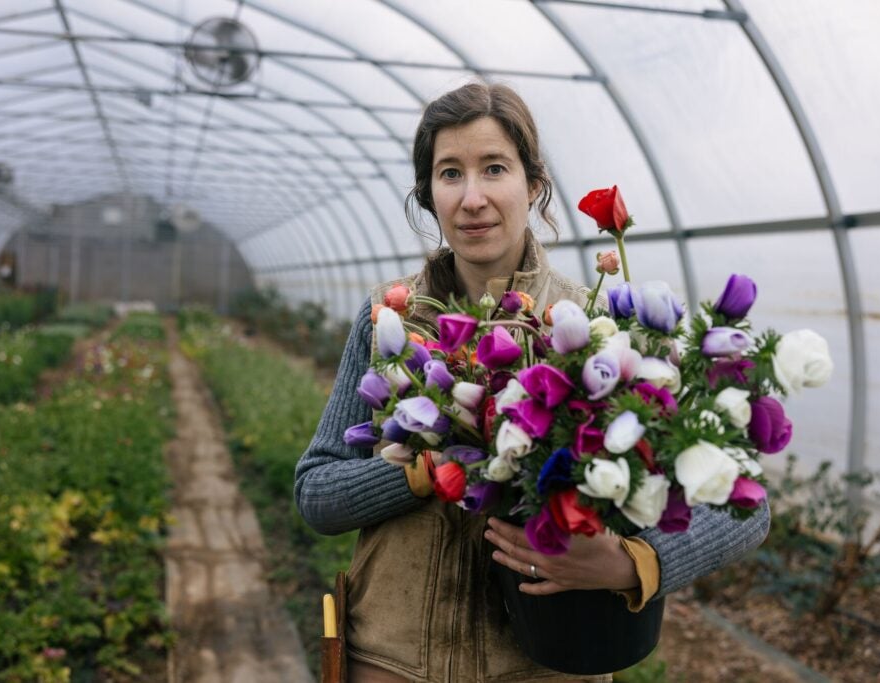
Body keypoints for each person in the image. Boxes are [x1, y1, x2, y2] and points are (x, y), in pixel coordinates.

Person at [295, 82, 769, 683]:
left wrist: (634, 563)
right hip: (390, 661)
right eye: (449, 174)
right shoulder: (390, 319)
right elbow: (317, 491)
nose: (473, 198)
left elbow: (747, 507)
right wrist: (428, 466)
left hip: (545, 666)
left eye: (494, 168)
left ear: (533, 185)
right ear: (428, 195)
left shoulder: (598, 325)